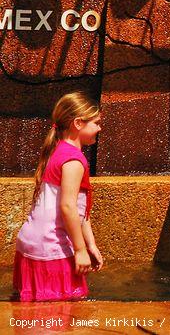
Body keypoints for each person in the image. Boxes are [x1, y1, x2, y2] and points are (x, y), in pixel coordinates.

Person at [13, 92, 103, 301]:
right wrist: (80, 249)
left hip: (31, 243)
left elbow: (80, 210)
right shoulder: (73, 161)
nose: (99, 128)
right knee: (56, 316)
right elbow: (68, 207)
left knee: (35, 311)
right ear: (78, 123)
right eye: (96, 122)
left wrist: (91, 245)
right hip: (50, 248)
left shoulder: (57, 150)